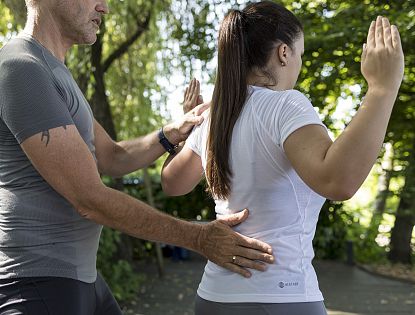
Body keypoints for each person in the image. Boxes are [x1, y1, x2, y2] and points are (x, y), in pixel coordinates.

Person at [0, 1, 276, 314]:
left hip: (80, 278)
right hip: (37, 281)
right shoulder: (22, 67)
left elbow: (111, 157)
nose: (104, 8)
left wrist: (172, 133)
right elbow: (89, 198)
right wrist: (199, 238)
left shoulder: (54, 71)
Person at [161, 2, 404, 314]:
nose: (299, 63)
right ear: (284, 53)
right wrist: (382, 90)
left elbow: (172, 182)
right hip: (281, 298)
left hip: (213, 297)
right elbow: (337, 181)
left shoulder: (215, 118)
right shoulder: (286, 106)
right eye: (300, 54)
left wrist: (186, 126)